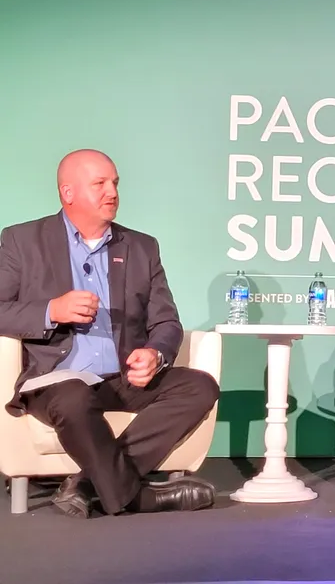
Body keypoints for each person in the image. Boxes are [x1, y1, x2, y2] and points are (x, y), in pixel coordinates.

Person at [0, 149, 220, 518]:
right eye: (99, 183)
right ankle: (139, 497)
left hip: (121, 377)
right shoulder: (23, 241)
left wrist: (155, 353)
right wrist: (51, 310)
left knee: (199, 385)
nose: (112, 192)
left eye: (115, 182)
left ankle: (89, 484)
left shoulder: (141, 247)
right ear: (67, 193)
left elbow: (167, 322)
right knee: (73, 399)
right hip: (56, 380)